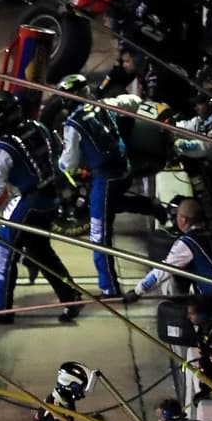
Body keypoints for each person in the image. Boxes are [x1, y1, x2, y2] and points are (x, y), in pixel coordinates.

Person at [0, 91, 80, 325]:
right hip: (53, 195)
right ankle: (70, 296)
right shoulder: (38, 126)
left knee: (3, 253)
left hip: (31, 200)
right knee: (41, 251)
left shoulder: (3, 147)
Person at [58, 98, 130, 299]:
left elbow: (69, 162)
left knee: (98, 235)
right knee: (115, 204)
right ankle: (153, 207)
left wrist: (60, 165)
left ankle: (109, 288)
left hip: (105, 177)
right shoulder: (102, 104)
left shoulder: (73, 123)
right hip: (124, 169)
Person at [125, 195, 212, 305]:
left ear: (182, 219)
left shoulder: (187, 242)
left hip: (210, 301)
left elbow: (164, 270)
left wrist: (138, 291)